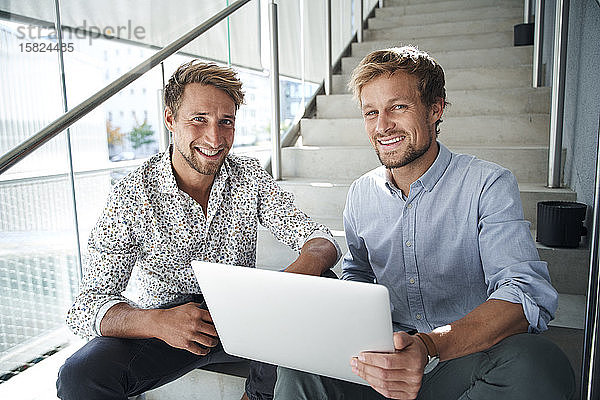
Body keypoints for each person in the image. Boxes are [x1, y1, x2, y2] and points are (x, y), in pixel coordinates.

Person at [274, 46, 575, 399]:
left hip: (462, 359)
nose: (382, 126)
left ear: (435, 109)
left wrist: (429, 345)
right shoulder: (360, 194)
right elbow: (359, 277)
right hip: (384, 361)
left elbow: (524, 293)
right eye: (371, 112)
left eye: (397, 107)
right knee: (298, 363)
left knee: (540, 363)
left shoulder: (487, 184)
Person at [56, 60, 340, 400]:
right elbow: (86, 306)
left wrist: (293, 277)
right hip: (165, 329)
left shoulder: (248, 177)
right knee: (78, 376)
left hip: (243, 320)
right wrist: (157, 323)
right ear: (171, 120)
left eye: (226, 122)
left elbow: (320, 240)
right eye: (199, 120)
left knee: (322, 282)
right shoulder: (131, 195)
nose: (215, 138)